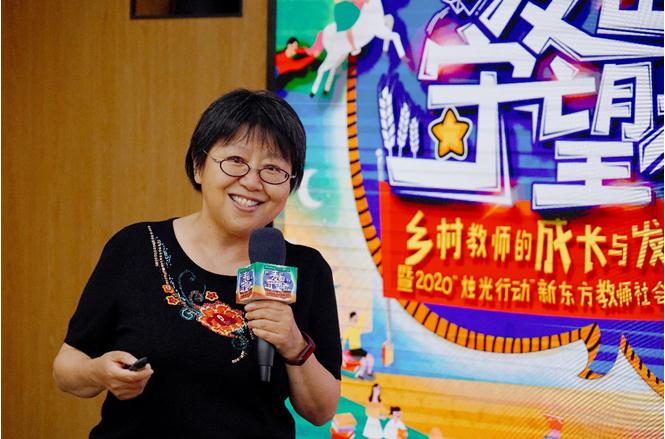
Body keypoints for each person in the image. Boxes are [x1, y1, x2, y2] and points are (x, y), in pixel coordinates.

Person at [52, 89, 342, 438]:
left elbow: (320, 412)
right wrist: (99, 372)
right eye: (236, 160)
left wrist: (294, 344)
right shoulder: (135, 247)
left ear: (290, 183)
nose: (252, 181)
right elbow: (66, 368)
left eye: (273, 169)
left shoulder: (306, 269)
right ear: (198, 165)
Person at [341, 311, 375, 379]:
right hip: (354, 350)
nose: (356, 319)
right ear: (351, 319)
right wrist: (341, 354)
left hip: (358, 349)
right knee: (367, 360)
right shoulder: (349, 330)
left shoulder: (357, 326)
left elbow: (363, 316)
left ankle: (366, 373)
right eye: (354, 318)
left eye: (356, 318)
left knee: (368, 360)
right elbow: (343, 341)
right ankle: (365, 373)